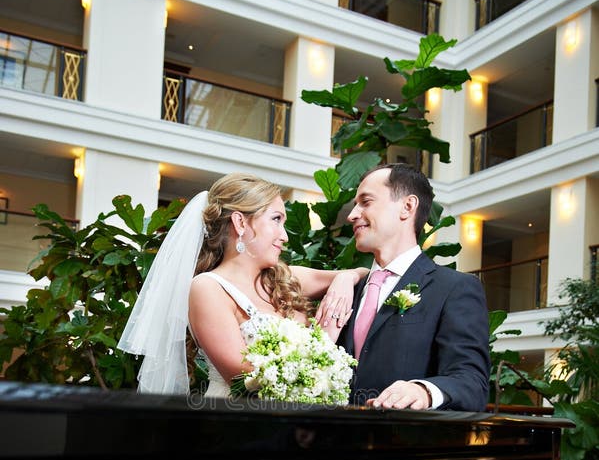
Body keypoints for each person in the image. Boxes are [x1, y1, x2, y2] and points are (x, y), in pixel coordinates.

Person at [118, 172, 367, 396]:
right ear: (240, 223)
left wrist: (345, 278)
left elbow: (365, 273)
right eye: (276, 219)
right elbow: (243, 379)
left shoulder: (285, 278)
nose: (285, 235)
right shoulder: (208, 289)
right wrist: (325, 339)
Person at [341, 163, 490, 411]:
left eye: (366, 202)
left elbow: (471, 382)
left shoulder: (454, 289)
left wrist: (423, 390)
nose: (352, 215)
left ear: (407, 207)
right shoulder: (349, 289)